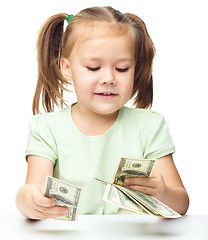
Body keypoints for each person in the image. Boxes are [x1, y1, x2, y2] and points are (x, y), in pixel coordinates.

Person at [16, 6, 189, 220]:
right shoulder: (47, 129)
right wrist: (26, 201)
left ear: (135, 67)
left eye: (122, 68)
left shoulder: (150, 126)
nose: (108, 78)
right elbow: (33, 189)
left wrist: (163, 194)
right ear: (67, 68)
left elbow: (181, 203)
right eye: (93, 68)